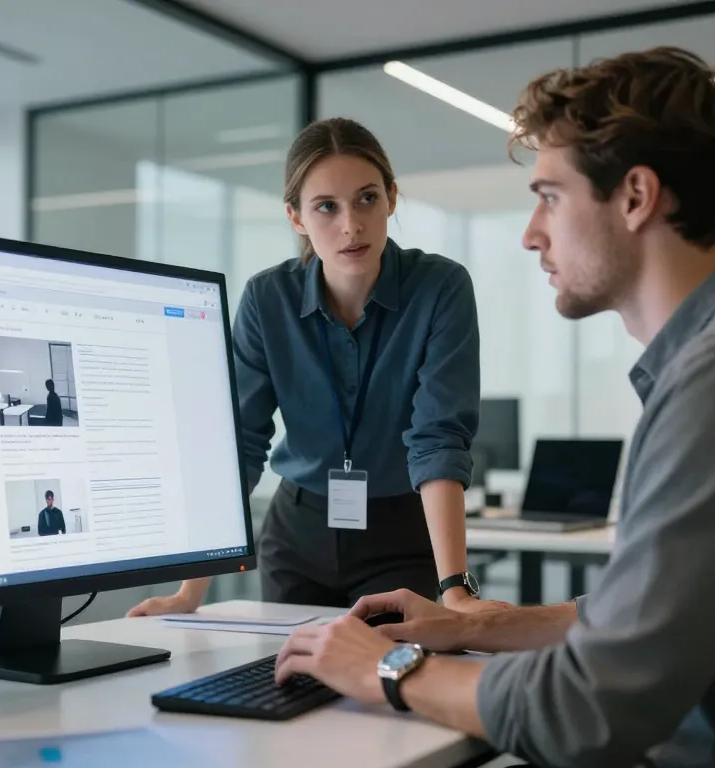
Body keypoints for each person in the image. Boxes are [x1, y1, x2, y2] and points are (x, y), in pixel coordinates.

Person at [273, 47, 715, 768]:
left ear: (637, 197)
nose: (530, 233)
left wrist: (388, 670)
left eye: (550, 196)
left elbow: (589, 709)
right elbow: (647, 621)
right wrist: (483, 625)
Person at [129, 117, 500, 617]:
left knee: (378, 678)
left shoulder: (440, 289)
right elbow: (239, 443)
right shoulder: (267, 298)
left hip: (397, 529)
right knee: (284, 680)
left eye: (367, 198)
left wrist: (455, 588)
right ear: (297, 217)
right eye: (327, 206)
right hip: (297, 531)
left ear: (391, 197)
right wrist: (188, 593)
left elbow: (438, 438)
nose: (351, 225)